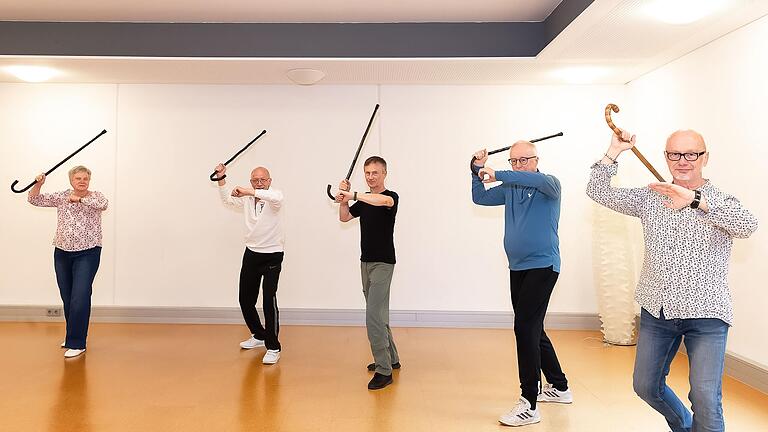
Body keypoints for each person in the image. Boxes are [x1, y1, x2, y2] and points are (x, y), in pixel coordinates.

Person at [586, 129, 758, 432]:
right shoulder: (651, 196)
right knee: (645, 386)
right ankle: (685, 426)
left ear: (705, 157)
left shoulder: (719, 199)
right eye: (674, 154)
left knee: (705, 397)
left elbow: (747, 225)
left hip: (707, 314)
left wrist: (694, 200)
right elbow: (597, 191)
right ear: (666, 157)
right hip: (659, 310)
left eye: (691, 154)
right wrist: (613, 152)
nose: (683, 161)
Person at [472, 141, 572, 427]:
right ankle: (560, 387)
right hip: (518, 267)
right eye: (514, 161)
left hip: (544, 265)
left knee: (524, 327)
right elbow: (480, 198)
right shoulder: (511, 188)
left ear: (536, 159)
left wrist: (498, 171)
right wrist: (475, 170)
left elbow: (531, 178)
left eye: (523, 160)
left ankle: (529, 401)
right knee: (533, 328)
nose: (518, 165)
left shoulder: (549, 184)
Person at [28, 166, 108, 358]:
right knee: (68, 296)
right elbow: (34, 199)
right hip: (62, 252)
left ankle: (77, 343)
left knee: (80, 296)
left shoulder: (95, 196)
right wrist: (38, 185)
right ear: (71, 180)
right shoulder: (62, 196)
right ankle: (73, 336)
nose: (82, 181)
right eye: (78, 178)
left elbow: (103, 205)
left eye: (85, 178)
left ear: (89, 180)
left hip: (87, 253)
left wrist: (79, 199)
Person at [335, 156, 401, 390]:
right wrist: (343, 200)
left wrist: (352, 195)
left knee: (372, 316)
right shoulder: (363, 200)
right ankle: (391, 358)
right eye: (367, 173)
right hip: (366, 263)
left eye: (375, 172)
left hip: (384, 263)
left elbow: (381, 201)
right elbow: (344, 217)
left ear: (384, 173)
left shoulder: (390, 197)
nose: (371, 177)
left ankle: (384, 371)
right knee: (379, 314)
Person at [214, 163, 285, 365]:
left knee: (268, 301)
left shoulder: (274, 198)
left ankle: (273, 346)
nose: (259, 183)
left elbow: (276, 197)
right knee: (245, 299)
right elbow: (228, 200)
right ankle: (259, 334)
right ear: (251, 181)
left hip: (273, 254)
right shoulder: (247, 200)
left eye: (263, 180)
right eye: (255, 180)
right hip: (252, 253)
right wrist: (221, 178)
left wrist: (249, 190)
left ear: (269, 182)